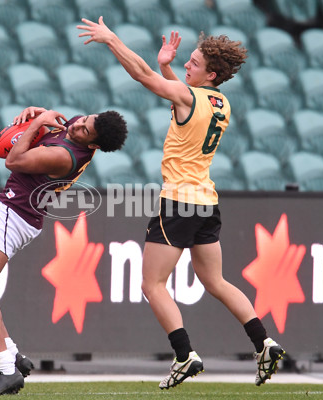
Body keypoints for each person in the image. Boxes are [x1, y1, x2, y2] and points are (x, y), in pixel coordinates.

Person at [78, 18, 285, 389]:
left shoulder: (189, 95)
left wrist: (112, 40)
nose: (187, 65)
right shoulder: (222, 101)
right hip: (206, 201)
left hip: (178, 202)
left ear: (212, 73)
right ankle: (264, 343)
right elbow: (187, 97)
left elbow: (142, 76)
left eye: (193, 62)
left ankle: (184, 354)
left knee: (152, 284)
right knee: (216, 281)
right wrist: (167, 66)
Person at [0, 106, 128, 395]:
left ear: (94, 145)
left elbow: (13, 160)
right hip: (18, 212)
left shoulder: (64, 157)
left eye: (85, 130)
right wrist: (37, 113)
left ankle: (5, 370)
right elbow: (58, 126)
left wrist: (38, 123)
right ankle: (11, 356)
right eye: (85, 119)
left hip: (14, 213)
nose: (77, 126)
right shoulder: (81, 128)